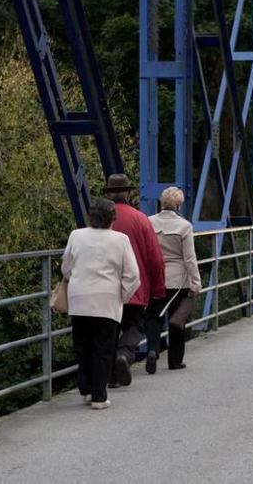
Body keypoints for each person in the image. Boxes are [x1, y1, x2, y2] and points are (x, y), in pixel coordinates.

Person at [62, 198, 140, 410]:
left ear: (90, 217)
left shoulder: (76, 236)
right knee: (104, 348)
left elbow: (66, 268)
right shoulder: (120, 239)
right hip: (107, 300)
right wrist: (122, 296)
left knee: (83, 346)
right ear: (112, 219)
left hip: (79, 299)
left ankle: (86, 388)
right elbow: (133, 275)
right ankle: (99, 396)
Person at [104, 173, 165, 387]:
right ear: (129, 193)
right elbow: (155, 259)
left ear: (109, 193)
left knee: (110, 329)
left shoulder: (100, 220)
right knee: (134, 326)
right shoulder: (141, 219)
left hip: (105, 287)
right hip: (135, 287)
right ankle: (124, 353)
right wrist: (158, 289)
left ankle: (111, 378)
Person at [144, 187, 201, 373]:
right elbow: (189, 258)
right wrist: (195, 282)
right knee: (177, 320)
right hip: (178, 280)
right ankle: (175, 361)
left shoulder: (149, 223)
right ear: (179, 204)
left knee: (153, 316)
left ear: (161, 202)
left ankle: (153, 349)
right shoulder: (184, 226)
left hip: (155, 277)